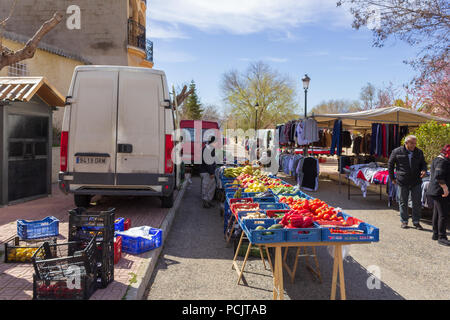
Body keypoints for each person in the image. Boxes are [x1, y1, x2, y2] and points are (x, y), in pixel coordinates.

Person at [388, 135, 427, 229]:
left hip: (416, 180)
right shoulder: (397, 151)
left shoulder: (419, 152)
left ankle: (416, 221)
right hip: (402, 180)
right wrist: (392, 178)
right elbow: (390, 164)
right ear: (406, 143)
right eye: (412, 143)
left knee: (417, 202)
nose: (414, 145)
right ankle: (404, 221)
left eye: (415, 143)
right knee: (403, 201)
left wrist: (424, 170)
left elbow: (423, 164)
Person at [427, 144, 450, 246]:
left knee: (437, 213)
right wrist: (445, 189)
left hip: (435, 191)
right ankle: (442, 237)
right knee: (443, 214)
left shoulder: (438, 158)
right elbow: (439, 176)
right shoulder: (442, 161)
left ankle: (435, 234)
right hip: (440, 191)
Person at [199, 136, 217, 208]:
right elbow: (208, 162)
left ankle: (208, 200)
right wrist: (211, 173)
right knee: (206, 186)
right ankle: (205, 201)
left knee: (212, 186)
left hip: (208, 171)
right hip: (206, 171)